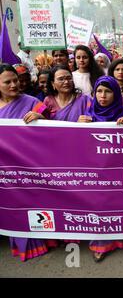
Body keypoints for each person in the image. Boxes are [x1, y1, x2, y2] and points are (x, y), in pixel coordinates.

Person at [0, 63, 54, 261]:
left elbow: (55, 132)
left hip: (29, 165)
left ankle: (40, 240)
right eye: (8, 82)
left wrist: (41, 118)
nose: (14, 85)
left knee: (31, 204)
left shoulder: (31, 102)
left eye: (15, 80)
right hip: (5, 169)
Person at [77, 76, 123, 261]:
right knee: (99, 206)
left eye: (108, 91)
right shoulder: (87, 115)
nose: (103, 96)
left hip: (122, 170)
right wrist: (78, 127)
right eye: (99, 91)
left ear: (116, 94)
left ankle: (122, 238)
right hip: (95, 170)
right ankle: (100, 243)